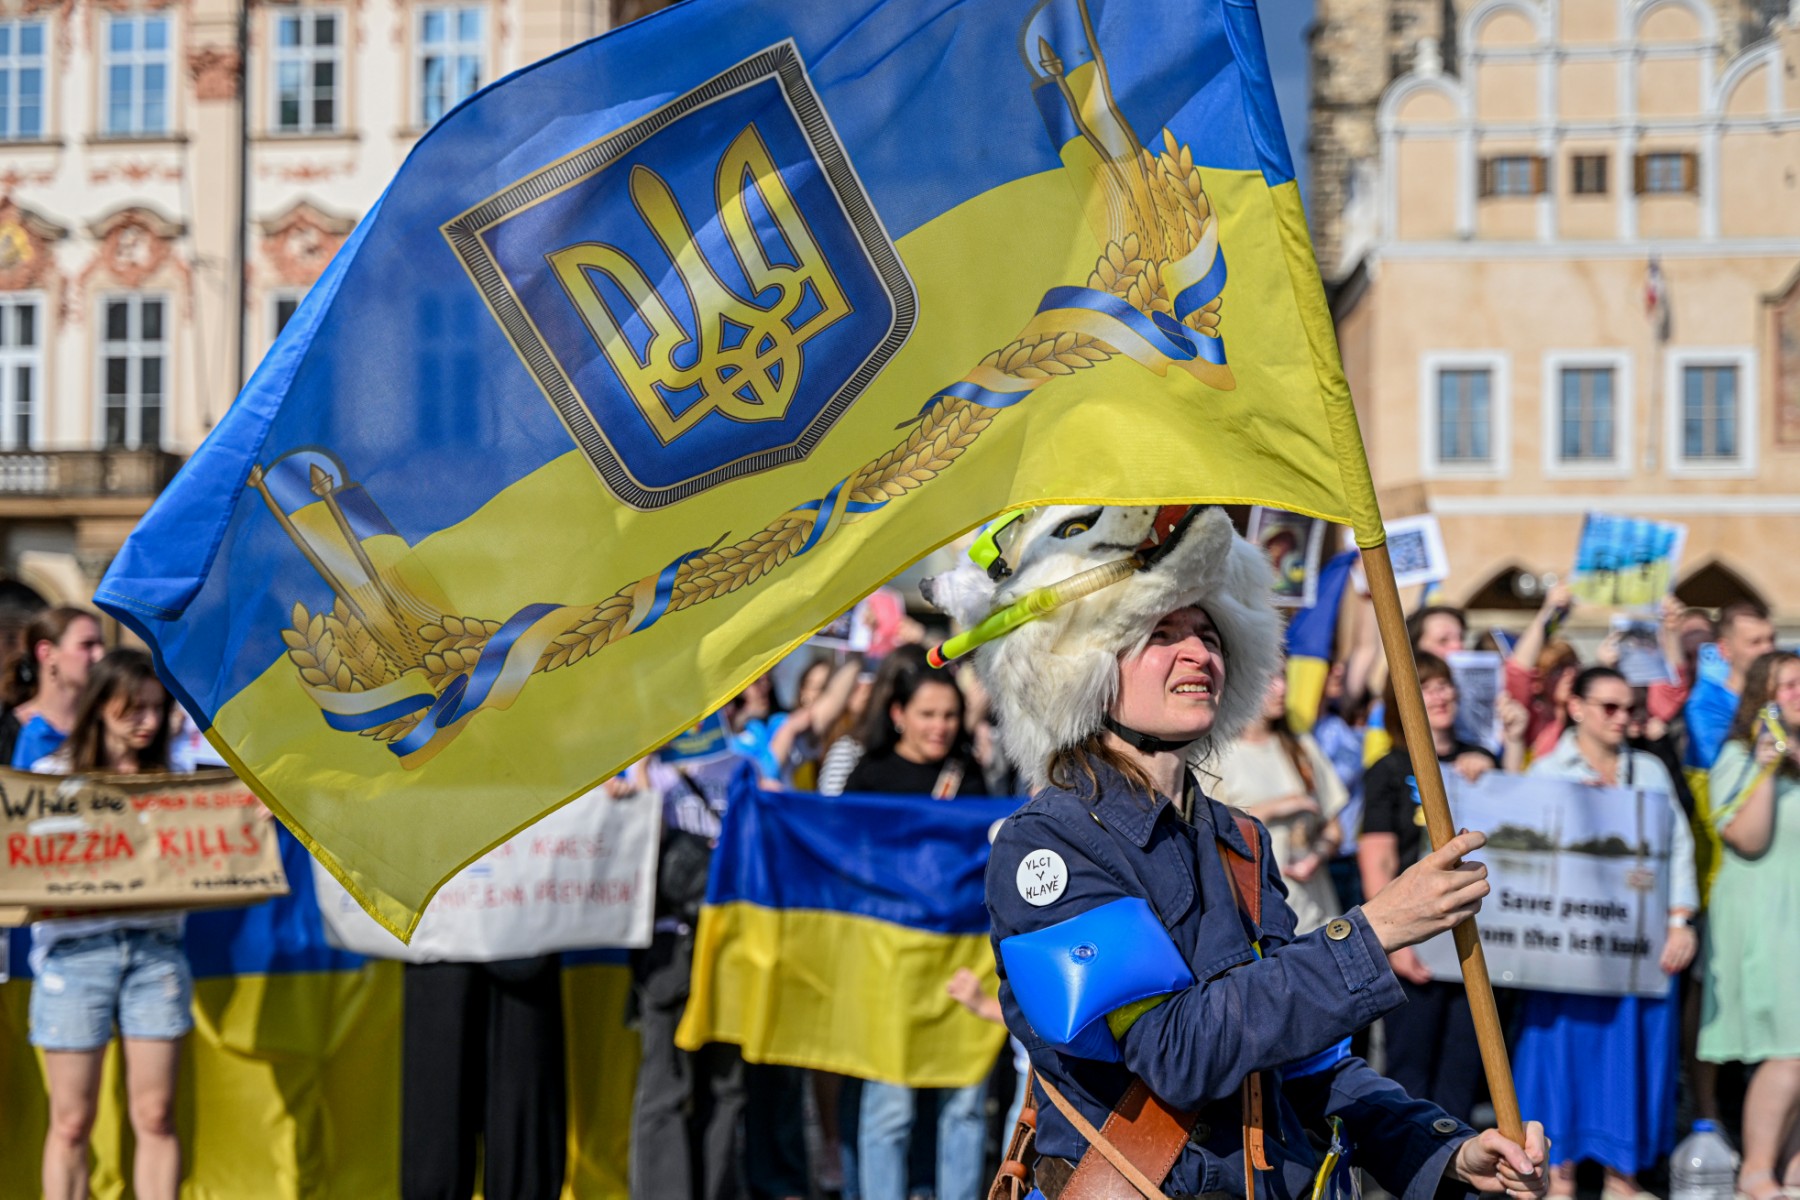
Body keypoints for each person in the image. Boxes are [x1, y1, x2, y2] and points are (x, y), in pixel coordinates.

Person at [926, 504, 1546, 1200]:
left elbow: (1307, 1066)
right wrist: (1373, 934)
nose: (1199, 654)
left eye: (1208, 633)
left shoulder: (1240, 840)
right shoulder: (1045, 848)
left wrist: (1445, 1150)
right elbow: (1175, 1054)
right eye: (1161, 632)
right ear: (1081, 667)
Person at [1516, 666, 1699, 1200]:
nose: (1624, 719)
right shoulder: (1548, 770)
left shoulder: (1649, 770)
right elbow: (1520, 851)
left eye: (1631, 709)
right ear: (1576, 707)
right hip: (1566, 951)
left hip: (1637, 946)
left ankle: (1624, 1176)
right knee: (1559, 1060)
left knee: (1633, 1060)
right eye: (1610, 707)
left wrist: (1680, 920)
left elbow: (1679, 847)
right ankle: (1559, 1174)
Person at [29, 649, 187, 1200]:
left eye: (155, 708)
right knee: (71, 1120)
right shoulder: (49, 778)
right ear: (101, 705)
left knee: (156, 1112)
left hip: (156, 951)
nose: (147, 721)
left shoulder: (178, 778)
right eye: (133, 708)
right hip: (74, 955)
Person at [832, 657, 988, 1200]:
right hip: (889, 966)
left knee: (964, 1101)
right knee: (890, 1103)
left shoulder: (971, 777)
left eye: (949, 715)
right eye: (927, 714)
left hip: (959, 964)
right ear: (898, 714)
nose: (939, 726)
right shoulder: (868, 778)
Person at [1358, 651, 1524, 1122]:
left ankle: (1455, 1177)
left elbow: (1514, 835)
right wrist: (1390, 941)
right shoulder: (1389, 767)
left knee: (1465, 1067)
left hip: (1475, 941)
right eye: (1426, 686)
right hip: (1417, 942)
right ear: (1402, 700)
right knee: (1409, 1069)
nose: (1441, 694)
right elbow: (1379, 855)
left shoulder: (1483, 760)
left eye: (1445, 684)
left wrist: (1497, 765)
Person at [629, 713, 751, 1200]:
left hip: (729, 948)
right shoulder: (649, 767)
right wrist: (638, 775)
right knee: (666, 1086)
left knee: (726, 1085)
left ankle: (716, 1188)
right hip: (671, 947)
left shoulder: (742, 766)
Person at [1700, 651, 1800, 1200]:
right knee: (1788, 1047)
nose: (1799, 692)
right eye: (1788, 685)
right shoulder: (1739, 756)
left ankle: (1791, 1168)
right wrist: (1766, 763)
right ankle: (1756, 1170)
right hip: (1766, 920)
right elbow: (1749, 837)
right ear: (1762, 697)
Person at [1210, 665, 1346, 932]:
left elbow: (1334, 828)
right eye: (1269, 679)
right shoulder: (1216, 756)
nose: (1282, 688)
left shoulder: (1302, 746)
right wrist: (1274, 808)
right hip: (1256, 919)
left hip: (1315, 911)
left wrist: (1315, 858)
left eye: (1282, 677)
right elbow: (1210, 832)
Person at [9, 606, 107, 769]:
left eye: (101, 644)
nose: (100, 655)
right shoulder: (8, 731)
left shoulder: (106, 726)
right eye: (87, 645)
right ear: (47, 653)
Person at [1684, 602, 1777, 772]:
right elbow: (1723, 766)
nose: (1768, 649)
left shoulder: (1783, 693)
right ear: (1724, 649)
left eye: (1771, 639)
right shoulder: (1706, 704)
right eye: (1755, 642)